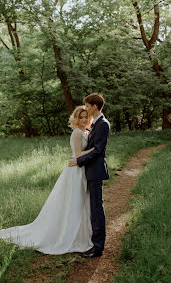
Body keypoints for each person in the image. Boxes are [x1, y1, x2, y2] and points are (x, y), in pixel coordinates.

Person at [0, 106, 95, 254]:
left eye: (86, 117)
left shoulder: (86, 132)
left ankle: (82, 234)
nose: (83, 119)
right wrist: (95, 150)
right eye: (80, 117)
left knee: (82, 202)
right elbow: (78, 154)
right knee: (73, 202)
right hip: (75, 172)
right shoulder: (76, 133)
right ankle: (66, 235)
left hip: (83, 170)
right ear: (76, 118)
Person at [68, 93, 110, 258]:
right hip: (89, 171)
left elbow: (98, 150)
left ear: (94, 105)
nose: (85, 108)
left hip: (94, 171)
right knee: (93, 208)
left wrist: (78, 161)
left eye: (86, 105)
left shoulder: (103, 124)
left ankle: (97, 247)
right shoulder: (96, 124)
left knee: (97, 209)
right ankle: (92, 242)